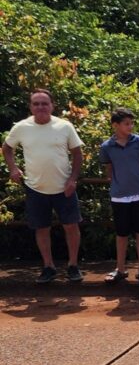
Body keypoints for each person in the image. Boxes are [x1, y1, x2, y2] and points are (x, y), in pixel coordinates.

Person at [2, 88, 84, 283]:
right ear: (30, 106)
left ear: (52, 106)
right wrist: (13, 168)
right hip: (35, 188)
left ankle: (73, 265)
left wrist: (73, 179)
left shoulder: (64, 126)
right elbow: (7, 148)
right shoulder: (21, 127)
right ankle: (48, 267)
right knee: (41, 228)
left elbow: (77, 154)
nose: (41, 107)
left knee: (71, 226)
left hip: (64, 187)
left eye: (44, 103)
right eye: (36, 104)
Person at [99, 107, 139, 282]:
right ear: (115, 125)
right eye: (126, 123)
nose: (130, 126)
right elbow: (109, 170)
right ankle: (120, 269)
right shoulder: (106, 147)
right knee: (121, 233)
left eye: (132, 123)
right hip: (119, 196)